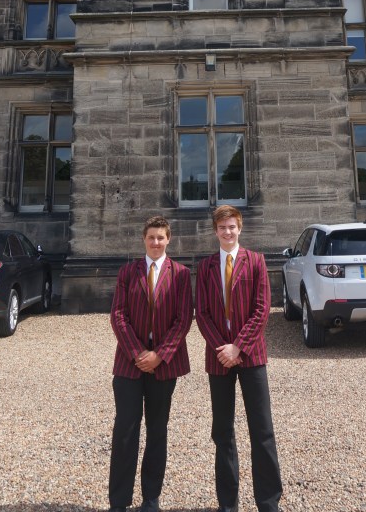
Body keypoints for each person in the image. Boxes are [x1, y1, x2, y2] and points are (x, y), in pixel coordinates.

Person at [195, 205, 282, 512]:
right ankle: (227, 504)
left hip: (252, 355)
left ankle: (268, 501)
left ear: (239, 228)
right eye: (222, 228)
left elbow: (262, 309)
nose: (227, 232)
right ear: (215, 231)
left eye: (232, 227)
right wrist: (223, 348)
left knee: (262, 429)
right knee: (222, 431)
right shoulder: (205, 267)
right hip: (218, 357)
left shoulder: (256, 262)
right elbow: (202, 313)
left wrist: (238, 347)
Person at [108, 215, 193, 512]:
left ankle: (151, 499)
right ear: (143, 240)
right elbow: (118, 315)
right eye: (151, 237)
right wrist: (136, 353)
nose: (156, 242)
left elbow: (184, 320)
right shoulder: (128, 272)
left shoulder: (181, 274)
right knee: (126, 431)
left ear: (169, 239)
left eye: (161, 237)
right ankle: (118, 502)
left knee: (158, 430)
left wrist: (159, 354)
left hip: (164, 365)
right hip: (129, 365)